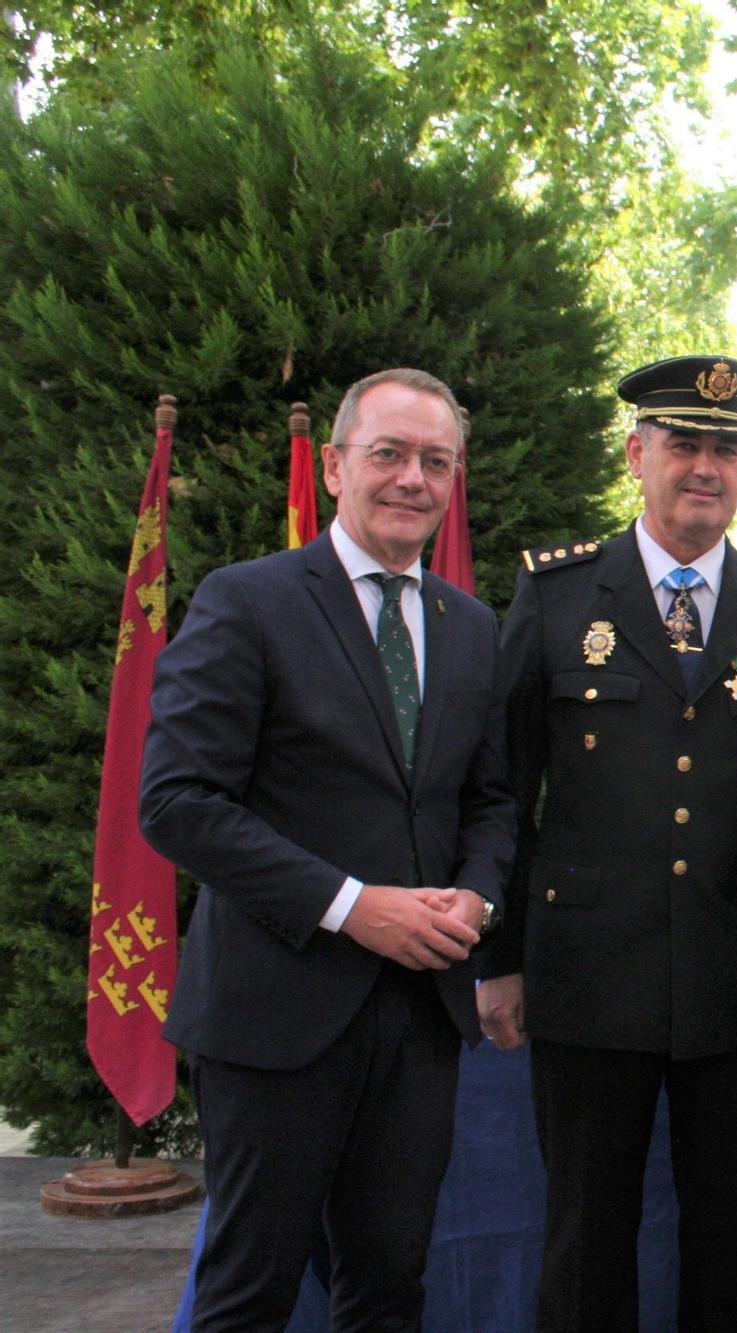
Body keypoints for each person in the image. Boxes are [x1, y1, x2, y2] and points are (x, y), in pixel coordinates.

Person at [140, 368, 512, 1330]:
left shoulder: (473, 629)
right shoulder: (247, 600)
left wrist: (478, 898)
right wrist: (354, 903)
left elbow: (492, 801)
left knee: (389, 1288)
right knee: (249, 1292)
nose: (412, 480)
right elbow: (177, 801)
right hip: (277, 1016)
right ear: (337, 466)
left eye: (435, 461)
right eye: (388, 454)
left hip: (419, 1016)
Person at [475, 355, 737, 1332]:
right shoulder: (555, 598)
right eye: (683, 444)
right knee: (585, 1234)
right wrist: (497, 958)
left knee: (734, 1234)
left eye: (726, 449)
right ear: (638, 454)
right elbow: (502, 787)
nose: (704, 466)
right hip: (588, 975)